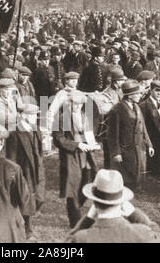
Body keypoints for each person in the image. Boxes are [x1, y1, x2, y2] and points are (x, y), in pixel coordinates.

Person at [68, 169, 160, 243]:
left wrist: (88, 219)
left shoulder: (81, 238)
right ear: (121, 202)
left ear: (94, 202)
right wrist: (134, 213)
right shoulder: (143, 233)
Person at [53, 90, 99, 228]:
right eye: (75, 104)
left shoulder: (85, 116)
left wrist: (92, 144)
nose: (77, 107)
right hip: (71, 157)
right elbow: (58, 139)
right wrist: (77, 144)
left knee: (87, 185)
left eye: (80, 105)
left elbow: (89, 134)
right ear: (69, 103)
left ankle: (75, 210)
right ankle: (75, 222)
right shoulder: (62, 118)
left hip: (86, 157)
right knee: (72, 189)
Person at [6, 104, 45, 238]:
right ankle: (27, 230)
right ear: (23, 116)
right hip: (25, 170)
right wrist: (15, 175)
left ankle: (20, 220)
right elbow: (11, 157)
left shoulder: (35, 129)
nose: (36, 117)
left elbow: (39, 150)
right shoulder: (15, 133)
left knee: (40, 198)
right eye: (33, 115)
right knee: (27, 200)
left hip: (37, 168)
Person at [107, 80, 154, 191]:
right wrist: (116, 152)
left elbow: (143, 128)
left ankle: (136, 187)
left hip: (138, 147)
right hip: (126, 148)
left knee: (138, 168)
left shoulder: (136, 107)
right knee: (126, 172)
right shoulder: (117, 110)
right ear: (129, 96)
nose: (140, 95)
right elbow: (112, 134)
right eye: (137, 93)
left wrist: (149, 144)